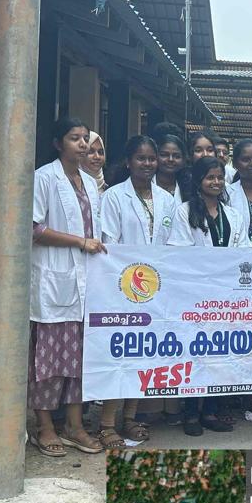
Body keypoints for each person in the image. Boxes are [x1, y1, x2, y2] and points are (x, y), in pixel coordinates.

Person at [28, 117, 105, 457]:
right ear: (59, 143)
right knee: (48, 362)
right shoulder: (44, 177)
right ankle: (44, 427)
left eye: (86, 138)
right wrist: (79, 242)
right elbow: (33, 228)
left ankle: (74, 426)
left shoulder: (89, 181)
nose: (84, 144)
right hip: (54, 282)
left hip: (85, 283)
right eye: (75, 138)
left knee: (78, 362)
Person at [97, 135, 178, 448]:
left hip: (159, 289)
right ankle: (107, 424)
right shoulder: (114, 197)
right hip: (123, 287)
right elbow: (110, 244)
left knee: (143, 355)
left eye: (151, 158)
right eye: (141, 158)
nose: (147, 164)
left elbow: (174, 244)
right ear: (128, 162)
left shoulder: (167, 200)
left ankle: (130, 418)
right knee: (119, 355)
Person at [166, 156, 249, 437]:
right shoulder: (184, 212)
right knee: (195, 353)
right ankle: (191, 412)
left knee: (220, 354)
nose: (215, 182)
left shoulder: (233, 214)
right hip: (196, 295)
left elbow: (244, 251)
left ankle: (211, 411)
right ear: (198, 181)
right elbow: (180, 253)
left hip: (227, 296)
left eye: (220, 177)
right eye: (210, 177)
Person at [153, 133, 186, 202]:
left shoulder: (188, 188)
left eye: (176, 156)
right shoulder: (145, 184)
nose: (170, 159)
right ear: (155, 157)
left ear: (183, 160)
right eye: (164, 155)